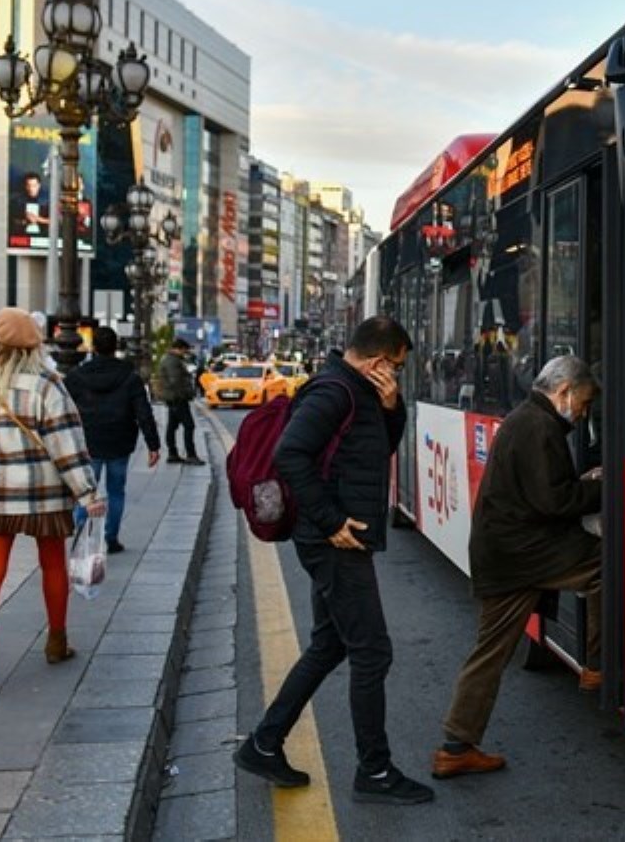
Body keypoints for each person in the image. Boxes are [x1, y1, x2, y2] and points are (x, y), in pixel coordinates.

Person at [234, 316, 434, 805]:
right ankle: (375, 772)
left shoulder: (360, 392)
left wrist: (391, 406)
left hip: (338, 539)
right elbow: (290, 453)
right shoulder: (334, 393)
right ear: (379, 361)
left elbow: (373, 451)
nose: (399, 376)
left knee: (329, 644)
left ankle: (264, 743)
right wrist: (330, 522)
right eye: (399, 369)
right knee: (372, 651)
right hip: (334, 542)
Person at [432, 355, 602, 780]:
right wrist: (598, 487)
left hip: (505, 553)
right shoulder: (539, 427)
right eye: (582, 404)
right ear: (563, 391)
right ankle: (597, 667)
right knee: (605, 565)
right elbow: (555, 501)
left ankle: (456, 746)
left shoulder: (527, 419)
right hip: (525, 555)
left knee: (490, 651)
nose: (582, 416)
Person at [0, 308, 105, 695]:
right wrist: (87, 493)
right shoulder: (46, 384)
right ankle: (56, 641)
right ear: (33, 345)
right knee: (52, 563)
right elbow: (66, 445)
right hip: (42, 490)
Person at [64, 327, 162, 554]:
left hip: (88, 441)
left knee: (86, 490)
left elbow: (63, 408)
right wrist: (153, 445)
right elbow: (143, 411)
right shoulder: (129, 376)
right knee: (116, 491)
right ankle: (111, 538)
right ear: (115, 346)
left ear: (94, 347)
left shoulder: (77, 376)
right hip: (120, 441)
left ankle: (81, 534)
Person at [155, 337, 204, 465]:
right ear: (178, 349)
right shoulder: (173, 361)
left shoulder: (171, 359)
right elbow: (175, 382)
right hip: (177, 398)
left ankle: (173, 454)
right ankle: (190, 455)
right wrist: (187, 394)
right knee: (189, 425)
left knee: (172, 426)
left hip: (173, 397)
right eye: (184, 350)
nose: (185, 353)